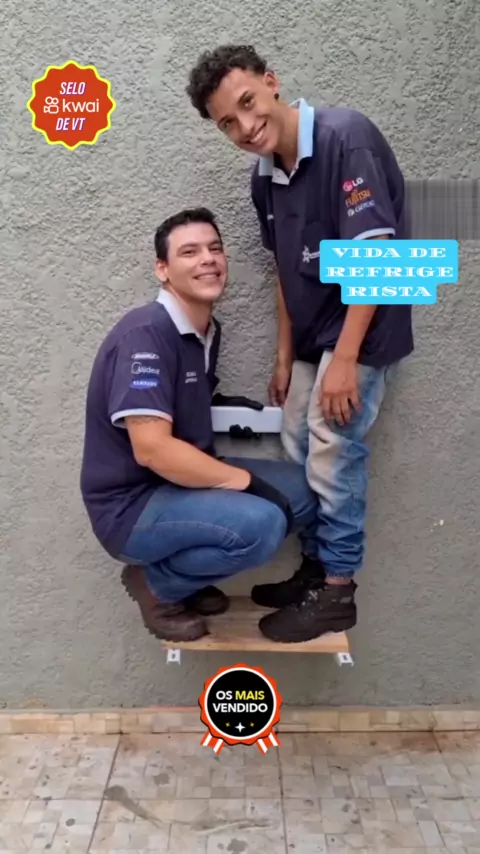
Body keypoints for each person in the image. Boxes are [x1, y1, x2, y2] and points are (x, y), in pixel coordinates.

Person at [186, 45, 414, 642]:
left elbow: (380, 255)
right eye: (227, 122)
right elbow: (285, 270)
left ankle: (337, 589)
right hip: (315, 337)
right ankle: (315, 570)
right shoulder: (264, 179)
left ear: (272, 82)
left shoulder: (346, 137)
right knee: (296, 444)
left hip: (363, 331)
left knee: (334, 450)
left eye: (247, 103)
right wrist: (285, 356)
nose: (244, 126)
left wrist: (346, 360)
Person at [80, 207, 324, 644]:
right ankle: (157, 584)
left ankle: (188, 577)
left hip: (178, 485)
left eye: (215, 248)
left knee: (306, 491)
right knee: (264, 524)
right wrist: (245, 482)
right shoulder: (145, 336)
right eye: (189, 252)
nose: (208, 259)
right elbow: (152, 449)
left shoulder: (206, 330)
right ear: (162, 269)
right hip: (132, 505)